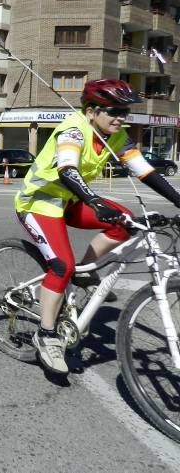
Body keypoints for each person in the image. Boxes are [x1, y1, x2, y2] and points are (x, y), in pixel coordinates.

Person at [15, 79, 180, 374]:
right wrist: (93, 200)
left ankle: (87, 272)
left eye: (124, 112)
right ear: (91, 111)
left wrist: (177, 199)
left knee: (127, 221)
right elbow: (67, 168)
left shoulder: (115, 135)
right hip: (39, 202)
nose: (120, 118)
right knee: (62, 266)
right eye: (113, 111)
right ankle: (47, 334)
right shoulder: (74, 130)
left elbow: (144, 170)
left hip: (71, 201)